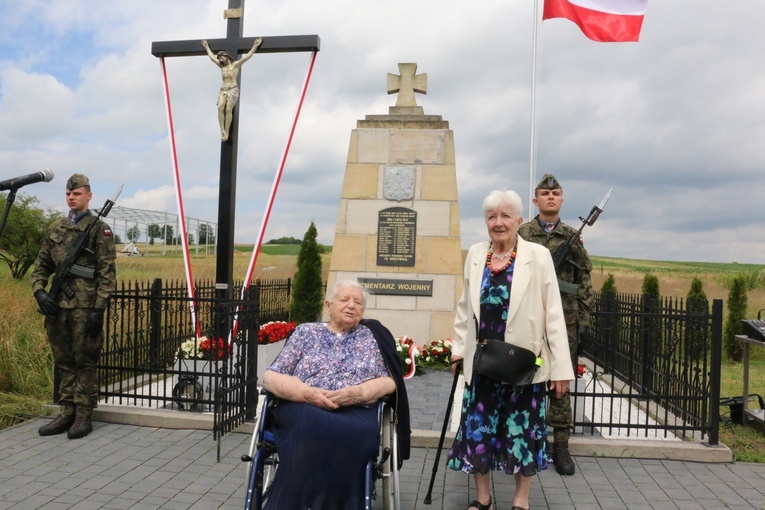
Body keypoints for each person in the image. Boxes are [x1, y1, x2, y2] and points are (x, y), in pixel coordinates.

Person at [447, 189, 573, 510]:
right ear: (486, 221)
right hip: (482, 362)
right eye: (492, 216)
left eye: (505, 216)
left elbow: (554, 315)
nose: (498, 223)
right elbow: (465, 310)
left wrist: (560, 369)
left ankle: (521, 499)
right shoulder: (476, 254)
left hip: (522, 365)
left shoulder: (537, 256)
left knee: (523, 431)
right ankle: (483, 498)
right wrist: (459, 349)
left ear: (519, 220)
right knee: (478, 429)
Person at [262, 280, 410, 509]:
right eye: (344, 300)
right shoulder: (305, 333)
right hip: (303, 407)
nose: (351, 306)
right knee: (310, 423)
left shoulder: (371, 337)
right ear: (328, 306)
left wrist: (358, 393)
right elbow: (271, 376)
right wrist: (305, 393)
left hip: (356, 411)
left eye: (358, 302)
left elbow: (389, 382)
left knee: (347, 433)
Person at [518, 174, 594, 476]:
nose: (551, 197)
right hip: (529, 320)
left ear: (562, 200)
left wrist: (584, 319)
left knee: (561, 383)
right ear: (535, 200)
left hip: (565, 321)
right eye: (545, 193)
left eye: (556, 193)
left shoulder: (572, 236)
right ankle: (525, 439)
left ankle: (561, 447)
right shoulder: (522, 233)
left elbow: (584, 280)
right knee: (525, 377)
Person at [31, 174, 117, 439]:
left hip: (85, 307)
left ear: (88, 196)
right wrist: (40, 293)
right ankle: (66, 411)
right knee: (64, 361)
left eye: (77, 193)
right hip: (58, 307)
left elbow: (107, 273)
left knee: (84, 360)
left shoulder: (98, 229)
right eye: (68, 194)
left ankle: (83, 414)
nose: (71, 197)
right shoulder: (56, 228)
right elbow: (41, 265)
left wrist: (98, 308)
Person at [201, 37, 263, 141]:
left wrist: (255, 46)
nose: (220, 60)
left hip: (233, 89)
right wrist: (207, 47)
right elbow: (212, 58)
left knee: (228, 109)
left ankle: (227, 131)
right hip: (223, 89)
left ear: (226, 56)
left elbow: (247, 57)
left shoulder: (235, 65)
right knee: (220, 107)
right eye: (219, 58)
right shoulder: (222, 67)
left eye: (222, 58)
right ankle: (222, 130)